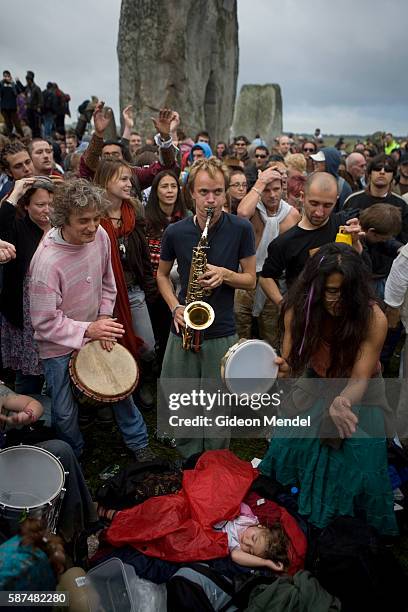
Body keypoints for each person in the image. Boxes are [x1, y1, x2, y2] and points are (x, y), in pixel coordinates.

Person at [260, 243, 397, 536]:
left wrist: (341, 403)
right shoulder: (296, 310)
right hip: (315, 383)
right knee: (289, 445)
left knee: (352, 465)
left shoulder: (374, 319)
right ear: (314, 288)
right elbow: (291, 362)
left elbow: (360, 379)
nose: (339, 300)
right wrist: (282, 372)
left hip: (362, 394)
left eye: (345, 291)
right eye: (331, 291)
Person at [29, 178, 154, 461]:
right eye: (83, 221)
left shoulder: (100, 236)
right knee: (64, 409)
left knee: (117, 383)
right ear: (63, 220)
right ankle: (74, 456)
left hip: (96, 327)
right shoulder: (46, 264)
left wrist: (103, 320)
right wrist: (90, 329)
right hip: (57, 345)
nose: (92, 227)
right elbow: (44, 323)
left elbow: (108, 283)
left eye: (97, 219)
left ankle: (139, 443)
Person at [156, 157, 256, 458]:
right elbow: (161, 275)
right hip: (185, 326)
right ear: (191, 194)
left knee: (217, 404)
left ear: (226, 193)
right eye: (203, 192)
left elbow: (251, 280)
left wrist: (225, 274)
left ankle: (215, 461)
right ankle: (189, 460)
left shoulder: (241, 228)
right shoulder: (175, 232)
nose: (210, 200)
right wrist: (175, 308)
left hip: (222, 330)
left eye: (217, 191)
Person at [94, 159, 157, 408]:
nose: (129, 183)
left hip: (133, 291)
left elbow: (142, 254)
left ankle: (141, 381)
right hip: (103, 298)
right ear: (105, 181)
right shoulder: (94, 217)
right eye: (122, 178)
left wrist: (149, 286)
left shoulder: (134, 212)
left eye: (129, 178)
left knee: (148, 347)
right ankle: (120, 395)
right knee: (114, 349)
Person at [0, 383, 97, 544]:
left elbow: (34, 405)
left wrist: (27, 415)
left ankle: (77, 528)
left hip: (10, 459)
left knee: (61, 450)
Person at [259, 172, 363, 306]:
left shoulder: (345, 225)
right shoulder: (285, 242)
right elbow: (266, 277)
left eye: (327, 205)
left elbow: (360, 267)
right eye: (314, 203)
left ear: (336, 201)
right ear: (302, 197)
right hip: (305, 314)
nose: (319, 212)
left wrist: (356, 243)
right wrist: (284, 306)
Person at [0, 177, 54, 394]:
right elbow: (1, 222)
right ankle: (27, 418)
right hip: (25, 313)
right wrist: (16, 192)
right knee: (27, 372)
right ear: (26, 206)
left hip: (55, 311)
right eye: (40, 205)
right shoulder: (19, 229)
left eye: (51, 203)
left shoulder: (63, 229)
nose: (47, 210)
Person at [236, 166, 300, 347]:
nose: (272, 195)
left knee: (271, 335)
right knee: (240, 332)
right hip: (245, 279)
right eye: (267, 190)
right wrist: (261, 181)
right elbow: (241, 214)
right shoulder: (253, 209)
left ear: (283, 188)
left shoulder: (292, 215)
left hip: (274, 281)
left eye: (276, 189)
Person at [145, 170, 189, 368]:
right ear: (156, 191)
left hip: (180, 288)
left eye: (173, 186)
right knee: (155, 337)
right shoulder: (146, 220)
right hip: (154, 288)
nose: (170, 191)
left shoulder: (187, 218)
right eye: (164, 186)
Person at [343, 153, 408, 242]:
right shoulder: (353, 200)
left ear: (393, 175)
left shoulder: (402, 204)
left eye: (388, 170)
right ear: (369, 173)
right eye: (377, 168)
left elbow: (404, 239)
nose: (382, 172)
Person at [214, 502, 288, 571]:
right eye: (253, 538)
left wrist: (266, 562)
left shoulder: (236, 546)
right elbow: (232, 501)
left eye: (250, 551)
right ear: (260, 526)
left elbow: (234, 556)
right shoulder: (247, 518)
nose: (246, 542)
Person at [0, 70, 24, 137]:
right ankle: (9, 138)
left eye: (7, 76)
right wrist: (2, 82)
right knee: (8, 124)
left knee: (17, 123)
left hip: (12, 107)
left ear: (10, 76)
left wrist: (16, 82)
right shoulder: (1, 84)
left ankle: (22, 136)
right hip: (4, 107)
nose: (6, 77)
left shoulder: (13, 85)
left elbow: (20, 90)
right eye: (4, 76)